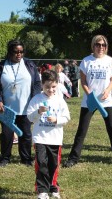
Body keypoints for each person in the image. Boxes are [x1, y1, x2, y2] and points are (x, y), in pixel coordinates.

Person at [63, 35, 112, 168]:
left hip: (106, 101)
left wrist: (108, 91)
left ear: (106, 47)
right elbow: (84, 81)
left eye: (103, 45)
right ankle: (73, 158)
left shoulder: (110, 61)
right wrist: (89, 94)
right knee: (82, 130)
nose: (101, 47)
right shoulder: (86, 61)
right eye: (98, 44)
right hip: (89, 101)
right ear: (93, 46)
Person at [0, 39, 41, 167]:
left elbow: (37, 83)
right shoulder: (1, 66)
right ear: (9, 52)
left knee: (26, 134)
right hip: (7, 108)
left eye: (21, 51)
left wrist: (35, 98)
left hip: (26, 107)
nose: (19, 54)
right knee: (7, 134)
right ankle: (5, 158)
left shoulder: (29, 64)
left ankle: (26, 158)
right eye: (16, 52)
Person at [27, 70, 70, 199]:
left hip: (55, 138)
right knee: (41, 162)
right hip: (40, 137)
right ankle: (42, 190)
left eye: (53, 87)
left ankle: (53, 186)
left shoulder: (60, 100)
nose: (50, 90)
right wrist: (38, 112)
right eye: (47, 87)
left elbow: (67, 117)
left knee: (53, 164)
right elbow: (30, 117)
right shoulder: (36, 99)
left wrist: (57, 120)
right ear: (42, 85)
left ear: (57, 85)